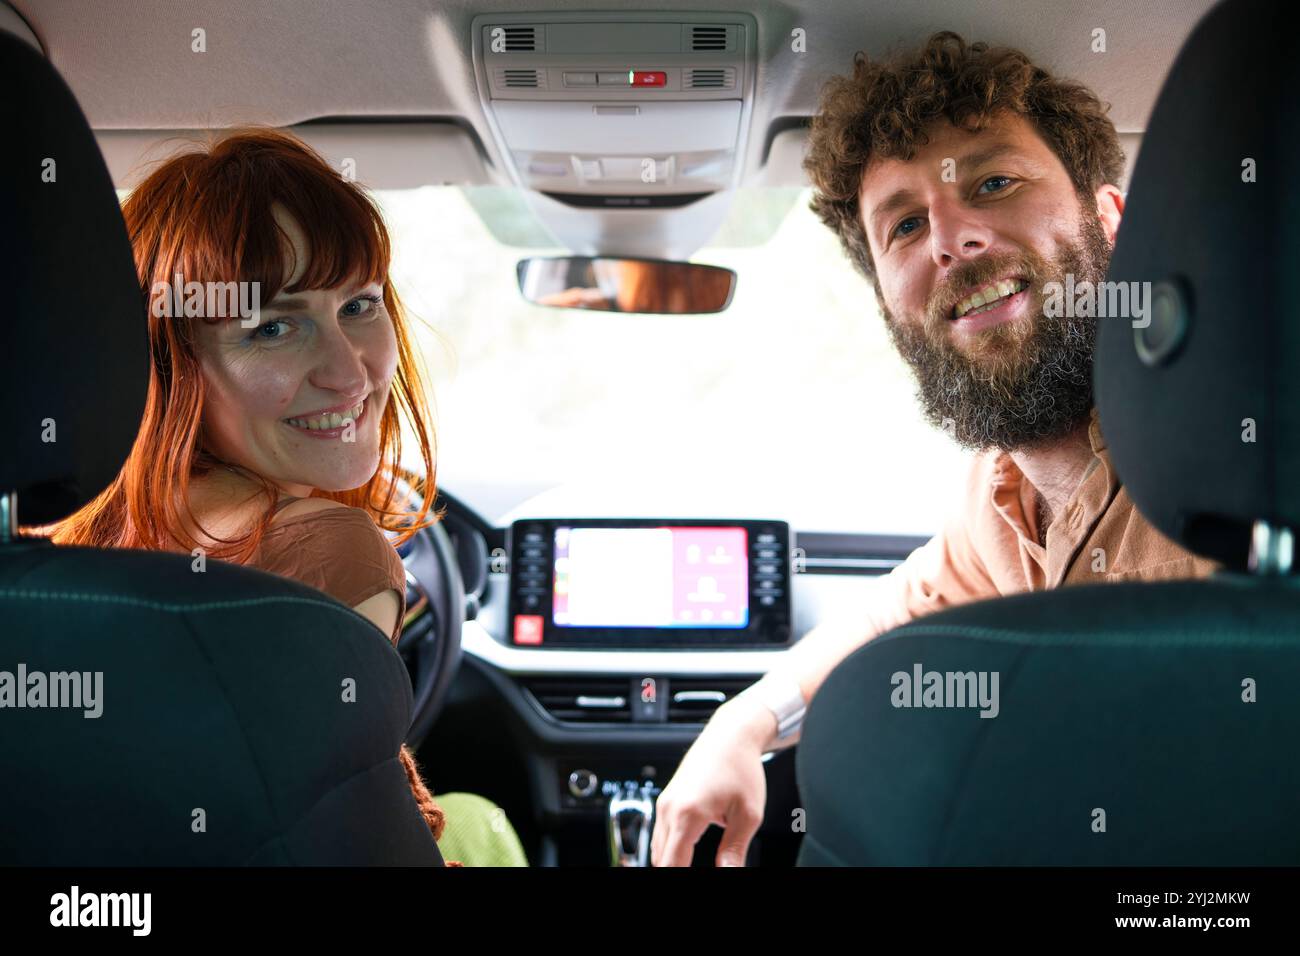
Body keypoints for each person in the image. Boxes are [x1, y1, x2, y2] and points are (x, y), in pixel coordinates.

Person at [651, 31, 1219, 867]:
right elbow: (899, 611)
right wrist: (743, 723)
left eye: (994, 183)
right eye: (906, 225)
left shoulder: (1244, 443)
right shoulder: (998, 493)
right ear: (889, 304)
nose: (951, 240)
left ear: (1112, 220)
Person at [36, 128, 526, 867]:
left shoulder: (60, 545)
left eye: (359, 304)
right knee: (485, 825)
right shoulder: (334, 549)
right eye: (271, 326)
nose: (349, 373)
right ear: (172, 361)